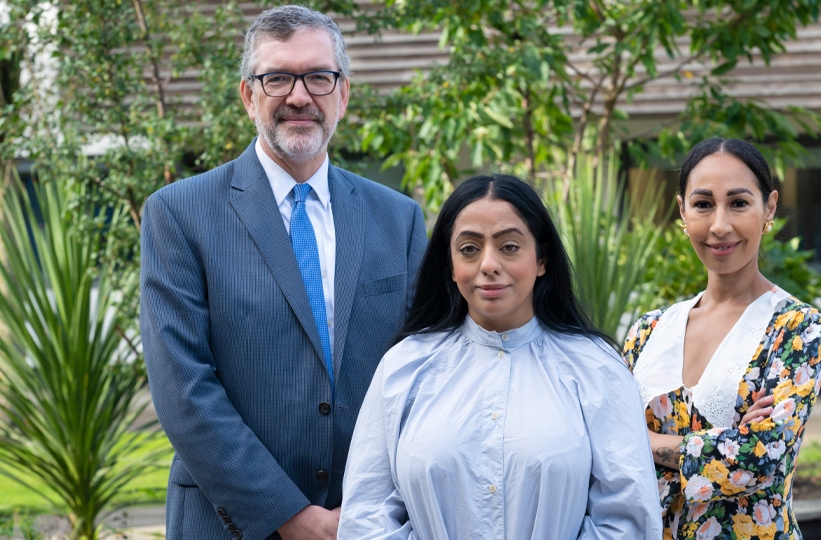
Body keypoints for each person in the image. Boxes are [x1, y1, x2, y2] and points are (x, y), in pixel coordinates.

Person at [139, 6, 427, 540]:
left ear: (342, 94)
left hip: (368, 523)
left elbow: (424, 372)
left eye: (319, 76)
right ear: (249, 95)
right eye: (277, 77)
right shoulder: (179, 213)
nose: (300, 96)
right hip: (227, 524)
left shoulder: (399, 219)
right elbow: (183, 387)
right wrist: (288, 515)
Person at [337, 174, 663, 540]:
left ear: (542, 259)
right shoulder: (403, 368)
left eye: (509, 246)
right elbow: (365, 516)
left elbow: (628, 519)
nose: (488, 264)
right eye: (469, 249)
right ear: (450, 266)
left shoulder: (597, 368)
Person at [622, 138, 821, 539]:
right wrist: (726, 440)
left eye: (738, 203)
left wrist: (645, 442)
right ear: (682, 210)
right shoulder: (647, 331)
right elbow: (603, 444)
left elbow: (759, 458)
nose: (719, 225)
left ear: (769, 208)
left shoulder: (795, 328)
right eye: (703, 204)